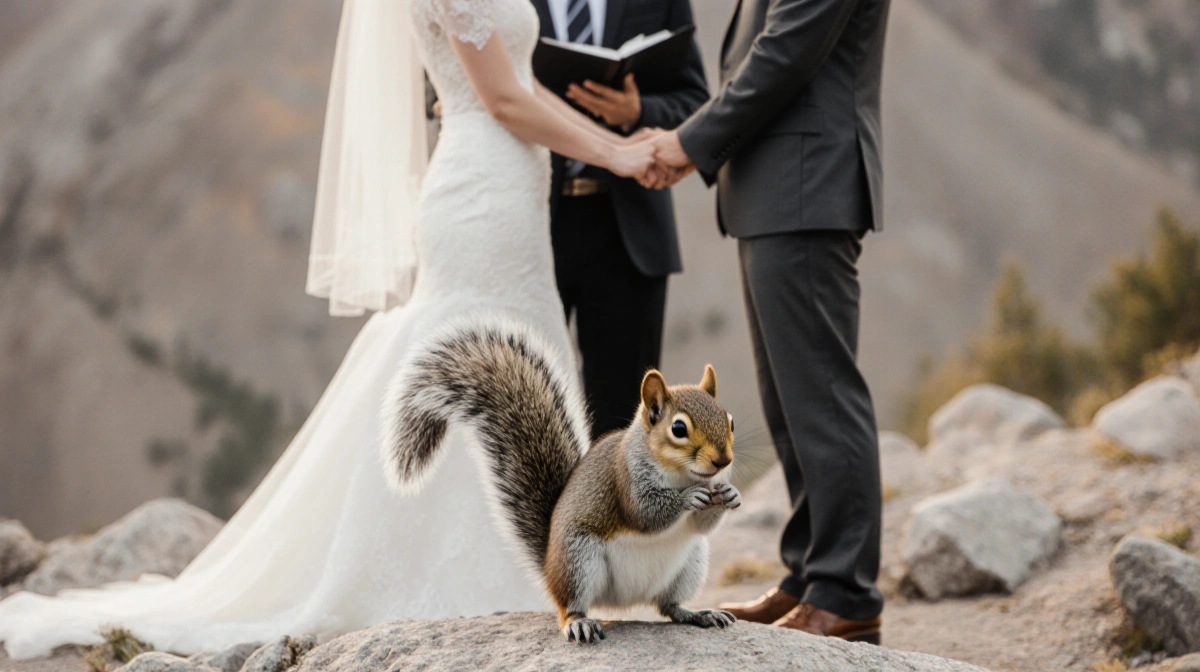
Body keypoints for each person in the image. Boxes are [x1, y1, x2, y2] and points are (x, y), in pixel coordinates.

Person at [0, 0, 658, 659]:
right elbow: (505, 100)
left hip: (513, 189)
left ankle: (523, 568)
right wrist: (618, 154)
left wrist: (620, 145)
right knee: (466, 357)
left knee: (521, 354)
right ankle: (457, 573)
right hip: (480, 191)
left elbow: (524, 83)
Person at [643, 0, 892, 645]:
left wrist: (688, 142)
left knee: (823, 398)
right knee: (791, 403)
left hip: (807, 184)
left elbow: (786, 52)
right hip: (776, 191)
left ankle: (846, 593)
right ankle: (811, 574)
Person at [531, 0, 708, 437]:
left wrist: (637, 114)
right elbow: (444, 88)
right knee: (522, 422)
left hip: (628, 234)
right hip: (525, 224)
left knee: (622, 433)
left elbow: (696, 103)